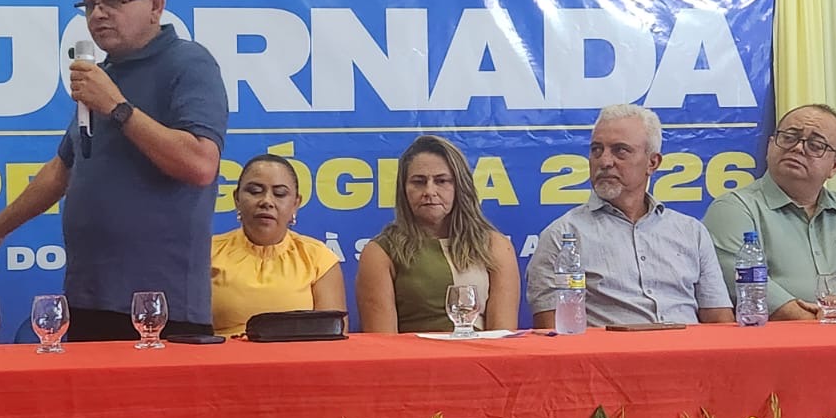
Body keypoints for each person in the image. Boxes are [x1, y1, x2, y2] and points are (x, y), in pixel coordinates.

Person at [0, 0, 228, 341]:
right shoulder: (101, 76)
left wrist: (117, 107)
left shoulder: (188, 63)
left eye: (113, 1)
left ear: (155, 5)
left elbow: (200, 164)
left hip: (159, 304)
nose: (98, 14)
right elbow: (63, 169)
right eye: (89, 4)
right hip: (89, 297)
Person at [526, 104, 732, 328]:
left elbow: (720, 322)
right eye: (596, 150)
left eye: (620, 151)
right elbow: (553, 333)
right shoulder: (562, 236)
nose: (605, 161)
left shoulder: (692, 232)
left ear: (652, 163)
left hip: (689, 348)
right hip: (611, 350)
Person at [703, 104, 836, 319]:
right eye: (788, 137)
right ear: (770, 146)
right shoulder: (735, 208)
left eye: (815, 145)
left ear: (835, 166)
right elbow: (742, 283)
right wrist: (819, 321)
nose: (797, 148)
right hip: (776, 336)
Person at [356, 136, 520, 333]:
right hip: (412, 353)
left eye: (441, 181)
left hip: (480, 352)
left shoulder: (495, 246)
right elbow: (382, 343)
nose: (429, 191)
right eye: (419, 182)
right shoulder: (380, 252)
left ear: (460, 186)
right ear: (403, 189)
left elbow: (502, 337)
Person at [210, 153, 346, 338]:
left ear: (295, 204)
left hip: (298, 356)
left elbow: (332, 338)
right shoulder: (207, 253)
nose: (266, 201)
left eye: (280, 194)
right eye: (255, 191)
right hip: (222, 355)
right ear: (237, 199)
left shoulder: (318, 259)